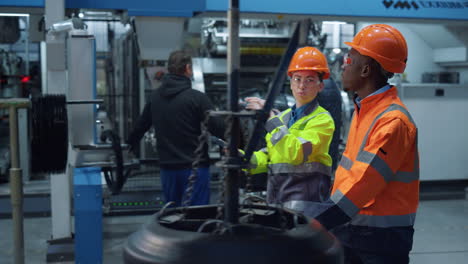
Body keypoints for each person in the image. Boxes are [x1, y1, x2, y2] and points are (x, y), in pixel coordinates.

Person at [312, 24, 419, 264]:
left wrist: (315, 221)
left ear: (366, 70)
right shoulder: (365, 110)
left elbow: (363, 182)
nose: (343, 64)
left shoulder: (393, 121)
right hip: (357, 230)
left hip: (379, 240)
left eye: (350, 58)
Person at [127, 50, 224, 207]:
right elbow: (218, 127)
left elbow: (140, 127)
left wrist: (128, 146)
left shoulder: (155, 98)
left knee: (172, 216)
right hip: (194, 169)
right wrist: (237, 143)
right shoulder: (197, 98)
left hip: (168, 169)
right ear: (187, 68)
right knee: (196, 215)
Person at [244, 46, 335, 213]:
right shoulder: (284, 117)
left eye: (309, 80)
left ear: (320, 86)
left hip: (307, 206)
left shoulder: (322, 120)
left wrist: (271, 121)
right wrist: (246, 158)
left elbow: (297, 153)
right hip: (277, 202)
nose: (302, 86)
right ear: (291, 82)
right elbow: (273, 156)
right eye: (297, 79)